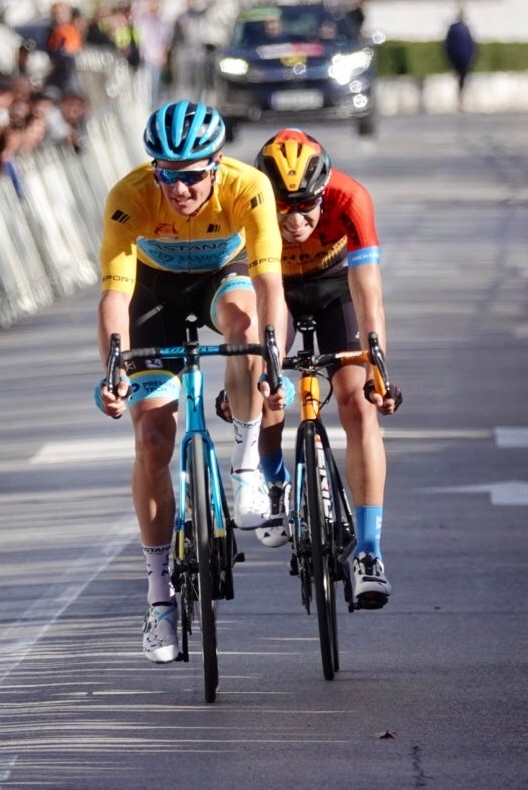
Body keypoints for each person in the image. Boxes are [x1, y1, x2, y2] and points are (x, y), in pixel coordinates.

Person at [95, 99, 288, 664]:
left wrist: (271, 356)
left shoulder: (248, 187)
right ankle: (159, 598)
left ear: (217, 164)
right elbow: (115, 297)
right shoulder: (129, 197)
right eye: (167, 175)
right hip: (153, 291)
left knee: (246, 326)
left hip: (219, 279)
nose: (179, 189)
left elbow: (269, 282)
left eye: (193, 176)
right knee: (153, 440)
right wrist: (113, 369)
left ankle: (248, 463)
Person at [251, 128, 402, 607]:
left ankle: (370, 552)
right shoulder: (248, 203)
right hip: (276, 290)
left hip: (336, 288)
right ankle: (275, 484)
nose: (294, 219)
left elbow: (368, 293)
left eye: (306, 205)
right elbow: (247, 297)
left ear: (324, 191)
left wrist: (376, 363)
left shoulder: (350, 198)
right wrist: (255, 368)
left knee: (359, 405)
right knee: (263, 388)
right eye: (283, 207)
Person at [444, 9, 477, 112]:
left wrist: (448, 58)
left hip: (455, 57)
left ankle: (460, 101)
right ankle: (461, 101)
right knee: (462, 80)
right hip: (464, 58)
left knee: (459, 79)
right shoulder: (466, 29)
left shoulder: (453, 29)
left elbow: (447, 45)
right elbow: (471, 45)